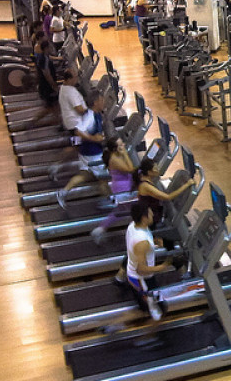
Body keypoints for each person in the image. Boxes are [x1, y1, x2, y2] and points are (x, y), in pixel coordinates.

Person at [125, 198, 173, 344]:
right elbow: (141, 269)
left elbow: (144, 240)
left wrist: (156, 242)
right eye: (150, 214)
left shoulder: (133, 226)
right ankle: (147, 339)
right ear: (144, 217)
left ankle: (113, 326)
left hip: (135, 275)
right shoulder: (142, 242)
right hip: (142, 280)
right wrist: (162, 267)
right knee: (160, 311)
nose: (153, 215)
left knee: (143, 309)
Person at [57, 90, 107, 207]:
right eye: (102, 100)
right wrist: (93, 138)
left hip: (86, 152)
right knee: (103, 178)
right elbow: (78, 130)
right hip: (93, 154)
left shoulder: (96, 114)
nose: (104, 102)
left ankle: (63, 192)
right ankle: (108, 201)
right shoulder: (90, 116)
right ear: (95, 102)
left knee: (84, 175)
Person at [90, 137, 138, 244]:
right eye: (120, 145)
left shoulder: (116, 156)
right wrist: (125, 154)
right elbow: (130, 169)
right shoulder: (114, 159)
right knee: (135, 211)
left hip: (123, 187)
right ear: (114, 149)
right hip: (123, 189)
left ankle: (100, 229)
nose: (123, 145)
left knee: (121, 211)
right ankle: (137, 235)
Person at [31, 39, 59, 125]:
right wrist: (53, 85)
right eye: (50, 47)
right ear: (46, 48)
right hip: (47, 87)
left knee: (55, 106)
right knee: (49, 108)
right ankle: (33, 121)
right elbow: (47, 74)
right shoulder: (44, 59)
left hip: (44, 86)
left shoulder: (44, 57)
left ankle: (58, 122)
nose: (51, 49)